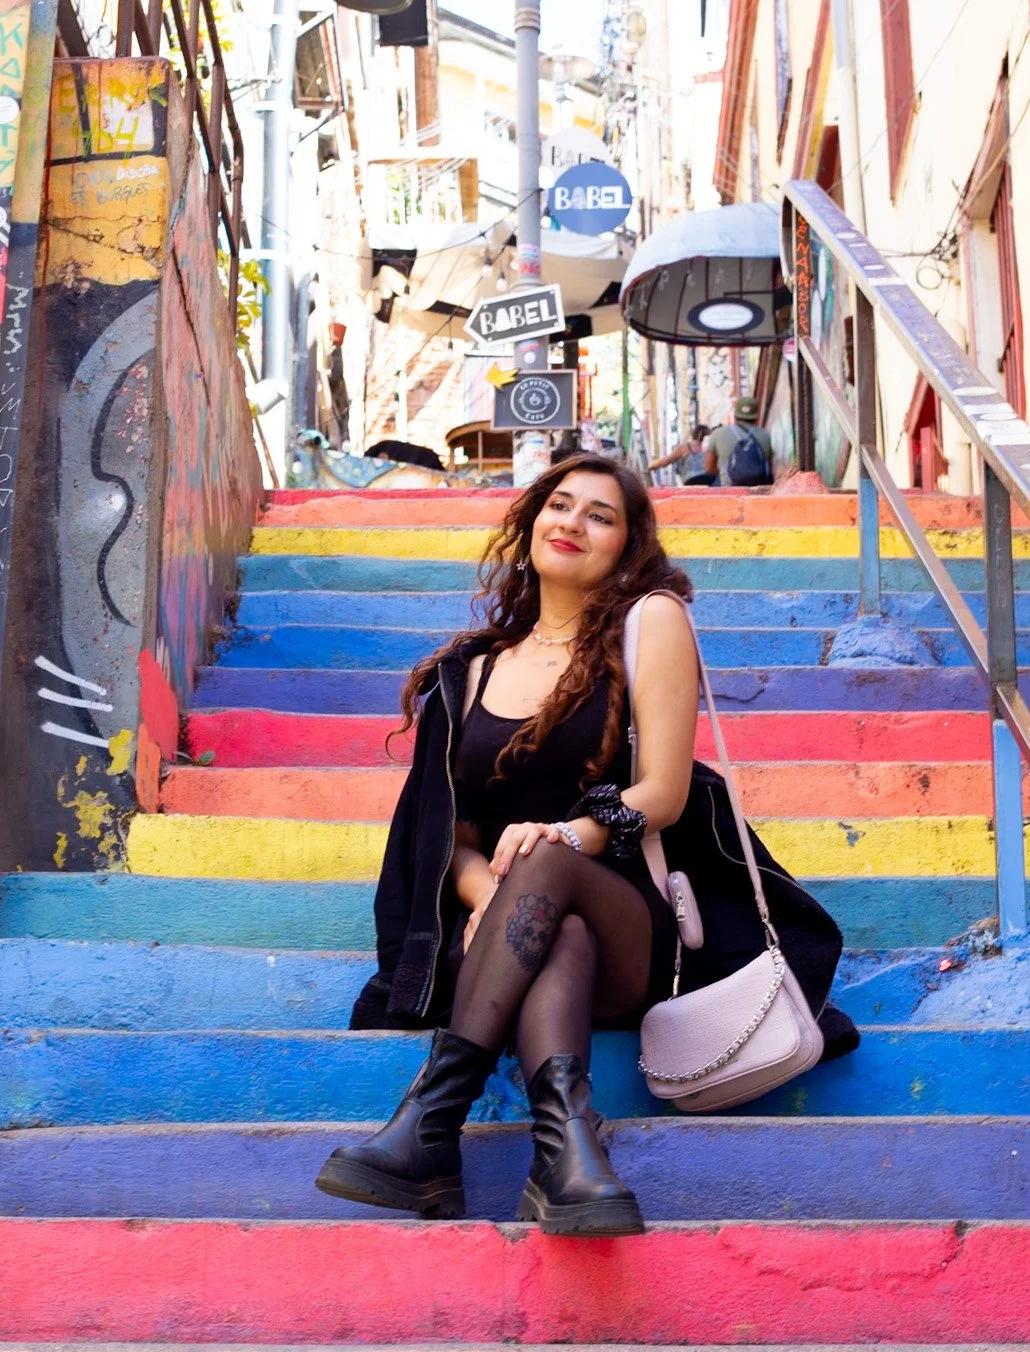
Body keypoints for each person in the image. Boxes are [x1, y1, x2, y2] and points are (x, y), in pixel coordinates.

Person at [321, 454, 855, 1237]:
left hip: (631, 925)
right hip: (517, 933)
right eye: (560, 505)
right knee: (552, 924)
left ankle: (432, 1123)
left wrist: (561, 838)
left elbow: (664, 793)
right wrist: (493, 895)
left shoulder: (651, 623)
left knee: (553, 873)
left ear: (627, 545)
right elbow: (452, 845)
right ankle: (567, 1154)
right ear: (532, 522)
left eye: (599, 515)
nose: (573, 522)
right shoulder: (468, 674)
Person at [705, 397, 775, 487]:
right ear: (756, 416)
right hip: (759, 491)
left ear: (735, 415)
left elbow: (709, 468)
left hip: (728, 490)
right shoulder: (765, 436)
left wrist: (727, 471)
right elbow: (768, 468)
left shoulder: (718, 434)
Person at [649, 424, 714, 485]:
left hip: (691, 480)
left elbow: (666, 461)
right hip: (711, 480)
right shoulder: (711, 447)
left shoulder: (685, 447)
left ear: (694, 434)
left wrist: (653, 465)